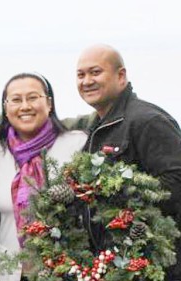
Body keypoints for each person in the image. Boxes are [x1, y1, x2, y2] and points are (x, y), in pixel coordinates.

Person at [72, 44, 181, 281]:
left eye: (95, 72)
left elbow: (175, 182)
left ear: (121, 76)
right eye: (81, 75)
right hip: (111, 264)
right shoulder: (98, 128)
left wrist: (121, 203)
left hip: (151, 266)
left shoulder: (148, 121)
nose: (86, 81)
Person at [0, 73, 87, 281]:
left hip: (65, 269)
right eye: (16, 100)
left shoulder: (76, 145)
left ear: (49, 103)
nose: (25, 106)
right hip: (11, 271)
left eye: (33, 97)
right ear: (5, 109)